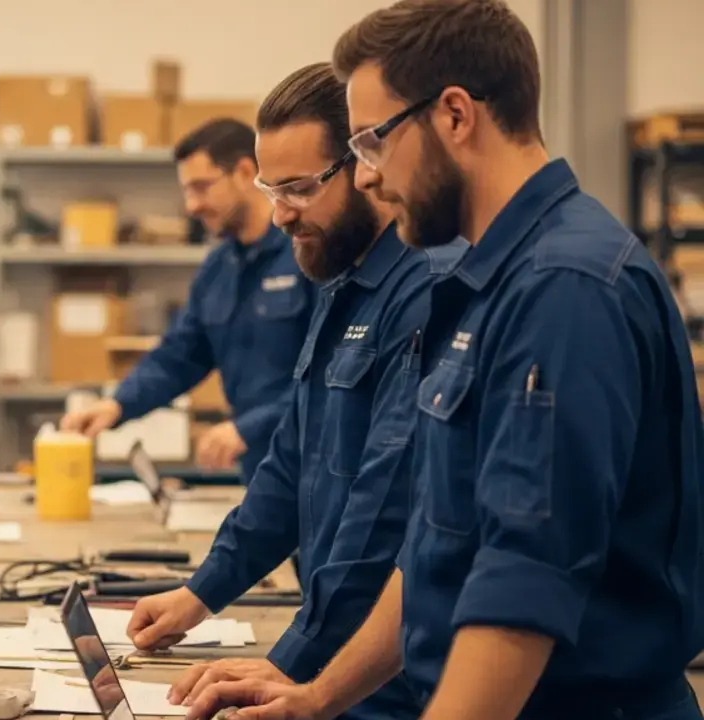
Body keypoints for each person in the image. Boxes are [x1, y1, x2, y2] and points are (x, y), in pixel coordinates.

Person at [186, 2, 704, 719]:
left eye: (371, 143)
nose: (364, 177)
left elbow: (521, 595)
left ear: (456, 115)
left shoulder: (564, 289)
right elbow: (435, 550)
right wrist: (317, 696)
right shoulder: (487, 282)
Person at [127, 63, 464, 720]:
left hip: (387, 679)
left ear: (367, 163)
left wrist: (293, 664)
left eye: (301, 189)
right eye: (269, 188)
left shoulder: (422, 292)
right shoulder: (341, 282)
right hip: (334, 667)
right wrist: (200, 594)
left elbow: (383, 515)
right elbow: (291, 464)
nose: (279, 214)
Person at [61, 119, 316, 484]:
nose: (191, 205)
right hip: (260, 473)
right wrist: (118, 404)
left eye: (201, 188)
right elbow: (179, 355)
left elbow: (328, 378)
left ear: (245, 172)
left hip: (312, 468)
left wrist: (248, 428)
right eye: (186, 191)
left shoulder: (306, 255)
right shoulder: (218, 269)